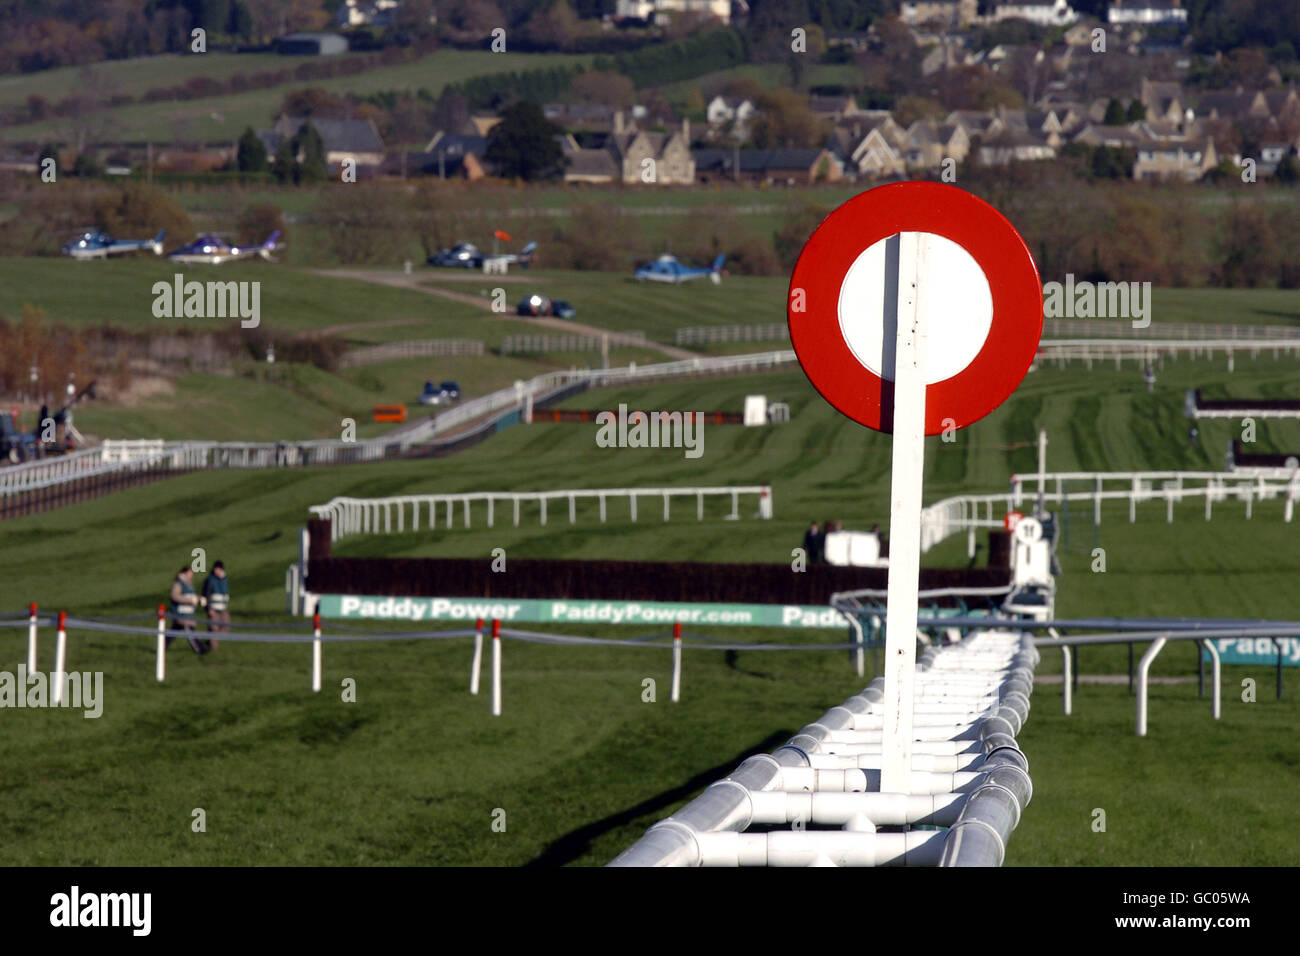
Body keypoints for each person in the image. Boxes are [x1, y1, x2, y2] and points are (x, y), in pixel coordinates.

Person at [168, 566, 209, 654]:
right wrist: (190, 600)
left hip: (188, 613)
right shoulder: (178, 584)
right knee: (189, 630)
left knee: (173, 633)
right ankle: (200, 649)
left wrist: (200, 599)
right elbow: (175, 596)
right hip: (181, 613)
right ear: (184, 573)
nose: (191, 575)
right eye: (190, 573)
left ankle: (162, 646)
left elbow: (191, 596)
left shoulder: (189, 584)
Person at [202, 561, 230, 651]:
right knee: (213, 628)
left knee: (226, 626)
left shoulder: (224, 579)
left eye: (218, 569)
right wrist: (209, 608)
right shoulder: (210, 580)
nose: (216, 571)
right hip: (213, 608)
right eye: (215, 569)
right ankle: (213, 649)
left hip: (223, 608)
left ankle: (211, 640)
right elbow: (206, 594)